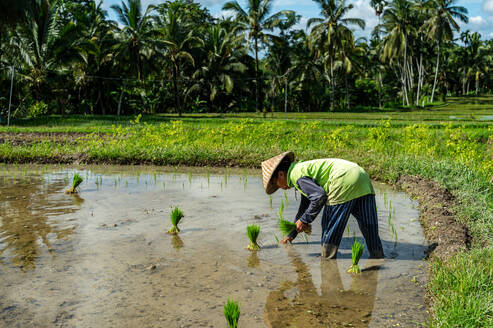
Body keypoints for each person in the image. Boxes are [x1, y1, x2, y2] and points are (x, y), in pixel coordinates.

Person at [261, 151, 384, 259]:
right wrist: (291, 235)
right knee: (369, 226)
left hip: (341, 179)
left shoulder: (296, 176)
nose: (280, 187)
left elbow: (319, 197)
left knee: (329, 230)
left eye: (276, 183)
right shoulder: (301, 170)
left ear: (281, 174)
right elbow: (304, 207)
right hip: (361, 175)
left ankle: (328, 263)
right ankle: (378, 257)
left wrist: (305, 220)